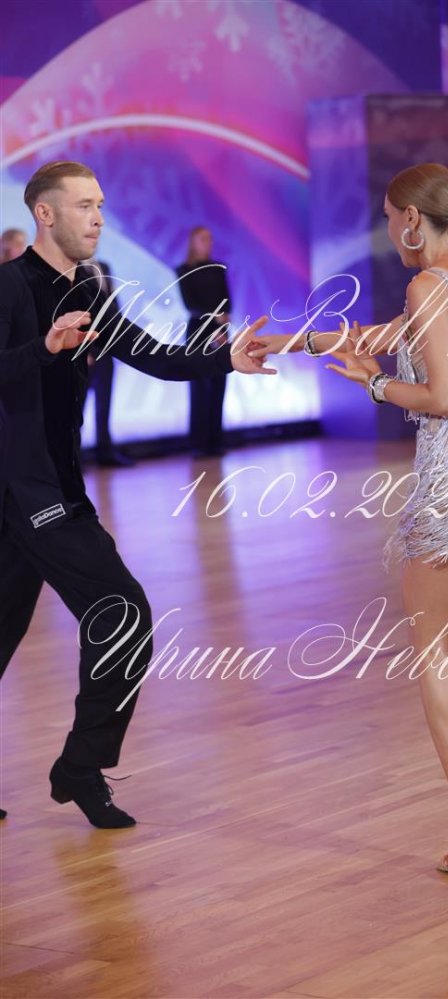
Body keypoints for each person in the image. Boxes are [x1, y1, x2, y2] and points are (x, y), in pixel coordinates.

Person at [251, 163, 448, 886]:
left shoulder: (427, 283)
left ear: (413, 221)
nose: (389, 229)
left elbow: (446, 399)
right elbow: (375, 334)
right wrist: (284, 343)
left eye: (391, 217)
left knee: (436, 652)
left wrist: (372, 384)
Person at [0, 161, 275, 827]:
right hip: (30, 491)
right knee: (122, 614)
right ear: (45, 214)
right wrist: (44, 347)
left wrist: (225, 359)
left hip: (50, 488)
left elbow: (152, 354)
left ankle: (80, 764)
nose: (98, 217)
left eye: (100, 204)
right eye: (84, 205)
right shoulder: (8, 286)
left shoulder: (92, 289)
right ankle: (81, 766)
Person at [175, 228, 233, 456]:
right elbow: (190, 305)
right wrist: (213, 319)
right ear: (193, 242)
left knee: (219, 385)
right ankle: (198, 443)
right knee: (199, 387)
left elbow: (227, 301)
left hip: (220, 332)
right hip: (198, 331)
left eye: (210, 238)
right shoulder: (184, 270)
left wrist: (222, 326)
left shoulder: (218, 268)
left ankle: (216, 440)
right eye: (203, 239)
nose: (209, 242)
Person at [82, 256, 135, 467]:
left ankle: (104, 451)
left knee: (104, 401)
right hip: (85, 349)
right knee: (78, 405)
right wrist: (84, 350)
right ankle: (73, 455)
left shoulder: (103, 266)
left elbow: (112, 306)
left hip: (107, 346)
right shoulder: (73, 269)